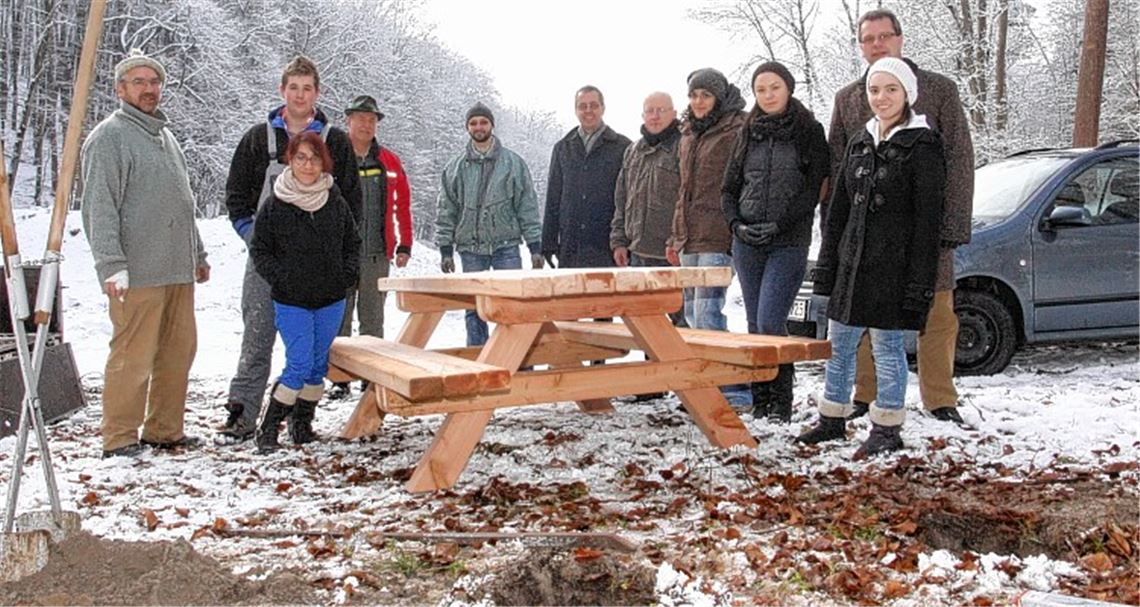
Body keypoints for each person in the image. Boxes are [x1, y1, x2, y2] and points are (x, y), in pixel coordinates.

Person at [827, 8, 975, 425]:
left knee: (938, 313)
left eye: (884, 36)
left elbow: (960, 157)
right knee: (861, 315)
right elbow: (838, 165)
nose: (876, 45)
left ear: (900, 39)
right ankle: (866, 394)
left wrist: (951, 225)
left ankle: (940, 399)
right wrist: (836, 231)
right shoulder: (849, 98)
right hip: (868, 234)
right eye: (867, 39)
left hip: (927, 228)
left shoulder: (939, 90)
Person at [797, 58, 945, 458]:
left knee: (887, 350)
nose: (881, 98)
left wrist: (918, 285)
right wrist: (828, 267)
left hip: (892, 270)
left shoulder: (923, 145)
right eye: (874, 90)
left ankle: (887, 426)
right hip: (852, 264)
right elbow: (838, 213)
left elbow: (928, 223)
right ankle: (832, 418)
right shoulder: (860, 142)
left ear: (907, 94)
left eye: (890, 89)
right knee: (840, 345)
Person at [217, 56, 361, 445]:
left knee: (313, 350)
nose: (300, 95)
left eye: (307, 88)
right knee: (258, 336)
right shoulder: (257, 138)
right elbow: (236, 197)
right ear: (283, 91)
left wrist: (345, 267)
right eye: (293, 87)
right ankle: (243, 414)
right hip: (270, 265)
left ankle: (301, 421)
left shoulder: (335, 140)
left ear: (318, 93)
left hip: (320, 268)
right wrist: (254, 239)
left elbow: (353, 204)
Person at [80, 49, 210, 458]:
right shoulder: (109, 137)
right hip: (136, 271)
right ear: (120, 89)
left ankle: (164, 429)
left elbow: (182, 202)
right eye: (138, 82)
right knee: (132, 357)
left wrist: (199, 253)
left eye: (153, 83)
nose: (148, 89)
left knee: (178, 351)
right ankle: (118, 436)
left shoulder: (164, 137)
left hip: (176, 267)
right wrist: (111, 264)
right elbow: (99, 207)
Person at [721, 62, 829, 423]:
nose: (768, 95)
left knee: (771, 320)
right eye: (761, 89)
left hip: (788, 242)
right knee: (754, 324)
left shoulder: (808, 131)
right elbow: (729, 188)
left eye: (774, 87)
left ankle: (781, 400)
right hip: (747, 242)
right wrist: (736, 225)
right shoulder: (746, 131)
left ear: (788, 89)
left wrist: (780, 225)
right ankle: (761, 399)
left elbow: (813, 188)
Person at [250, 132, 360, 452]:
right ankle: (269, 427)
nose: (308, 165)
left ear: (323, 161)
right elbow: (260, 250)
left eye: (314, 158)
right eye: (301, 158)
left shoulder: (334, 200)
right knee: (298, 363)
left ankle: (302, 425)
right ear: (290, 160)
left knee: (316, 366)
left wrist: (346, 276)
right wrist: (280, 278)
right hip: (291, 300)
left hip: (331, 299)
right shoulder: (275, 204)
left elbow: (351, 244)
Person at [664, 68, 750, 408]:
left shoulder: (735, 129)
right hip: (689, 237)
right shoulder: (687, 133)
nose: (698, 102)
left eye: (705, 95)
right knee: (692, 316)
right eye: (694, 95)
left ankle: (734, 389)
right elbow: (682, 190)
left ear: (719, 98)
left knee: (710, 314)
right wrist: (675, 236)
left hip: (718, 234)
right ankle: (703, 386)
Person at [436, 102, 544, 346]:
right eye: (473, 123)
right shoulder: (454, 168)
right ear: (467, 128)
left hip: (506, 246)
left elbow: (527, 205)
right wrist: (445, 249)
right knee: (475, 308)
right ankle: (478, 361)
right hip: (470, 248)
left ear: (492, 125)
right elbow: (446, 209)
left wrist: (535, 247)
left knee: (513, 305)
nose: (479, 127)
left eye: (483, 122)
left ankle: (519, 362)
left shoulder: (513, 164)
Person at [330, 94, 413, 399]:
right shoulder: (333, 157)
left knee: (373, 318)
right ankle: (339, 379)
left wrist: (405, 242)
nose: (366, 125)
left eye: (371, 120)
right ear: (348, 121)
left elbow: (402, 204)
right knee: (340, 316)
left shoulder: (389, 161)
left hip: (377, 252)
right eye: (360, 118)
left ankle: (370, 379)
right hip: (339, 253)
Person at [611, 92, 686, 328]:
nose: (655, 116)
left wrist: (678, 240)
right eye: (650, 111)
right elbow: (621, 199)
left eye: (661, 110)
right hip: (638, 254)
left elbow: (688, 198)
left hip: (671, 255)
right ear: (642, 115)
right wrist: (619, 240)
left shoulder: (684, 146)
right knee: (646, 329)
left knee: (682, 325)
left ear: (673, 113)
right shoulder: (633, 151)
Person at [543, 86, 632, 269]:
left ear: (603, 108)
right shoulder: (563, 148)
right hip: (571, 245)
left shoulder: (622, 147)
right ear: (576, 110)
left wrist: (624, 241)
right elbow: (554, 197)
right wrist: (548, 242)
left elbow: (629, 199)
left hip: (607, 244)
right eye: (582, 106)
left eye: (593, 105)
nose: (588, 111)